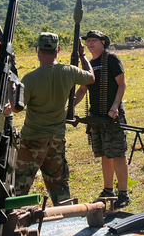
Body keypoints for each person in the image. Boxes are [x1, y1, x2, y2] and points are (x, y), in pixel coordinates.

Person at [14, 32, 94, 205]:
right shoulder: (69, 72)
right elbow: (91, 76)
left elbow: (16, 108)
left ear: (37, 50)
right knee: (59, 186)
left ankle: (14, 223)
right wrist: (82, 54)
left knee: (19, 187)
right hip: (57, 139)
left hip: (32, 140)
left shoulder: (30, 79)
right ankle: (66, 219)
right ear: (57, 49)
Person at [74, 30, 131, 208]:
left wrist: (115, 106)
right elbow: (82, 90)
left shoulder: (112, 59)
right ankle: (108, 191)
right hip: (96, 117)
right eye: (88, 41)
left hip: (112, 116)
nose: (90, 44)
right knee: (105, 154)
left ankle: (123, 194)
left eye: (94, 41)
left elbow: (122, 84)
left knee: (118, 154)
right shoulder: (89, 64)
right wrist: (69, 107)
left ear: (103, 43)